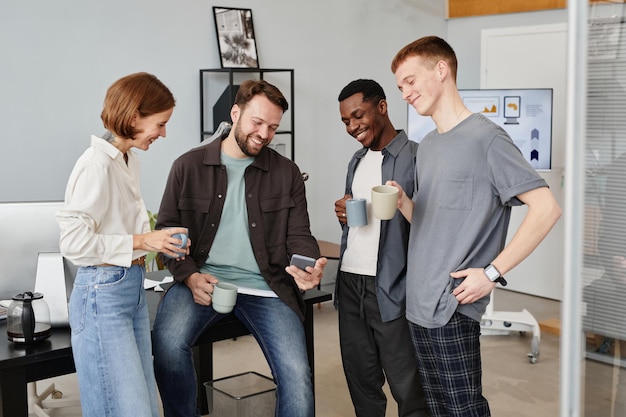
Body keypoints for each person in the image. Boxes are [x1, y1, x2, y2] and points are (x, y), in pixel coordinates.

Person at [389, 36, 562, 416]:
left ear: (441, 70)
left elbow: (546, 208)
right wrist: (403, 202)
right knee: (436, 409)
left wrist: (492, 273)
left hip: (453, 305)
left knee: (464, 409)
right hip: (418, 303)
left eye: (411, 81)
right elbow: (433, 222)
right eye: (400, 86)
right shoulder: (429, 144)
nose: (405, 93)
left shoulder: (487, 140)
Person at [152, 79, 327, 417]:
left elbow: (299, 235)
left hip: (267, 287)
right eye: (257, 123)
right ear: (235, 113)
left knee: (297, 376)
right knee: (168, 346)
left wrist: (308, 266)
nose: (264, 134)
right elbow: (165, 232)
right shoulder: (187, 166)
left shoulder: (286, 173)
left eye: (273, 127)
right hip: (202, 281)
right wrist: (189, 277)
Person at [56, 72, 188, 417]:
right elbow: (73, 242)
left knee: (139, 404)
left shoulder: (128, 161)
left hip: (129, 287)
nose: (163, 133)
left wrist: (156, 244)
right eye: (160, 124)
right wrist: (145, 239)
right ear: (134, 118)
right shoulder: (95, 164)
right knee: (128, 409)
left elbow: (117, 231)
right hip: (102, 292)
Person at [333, 79, 430, 417]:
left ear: (383, 107)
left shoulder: (417, 156)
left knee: (407, 385)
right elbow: (360, 226)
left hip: (391, 284)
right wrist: (343, 213)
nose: (353, 126)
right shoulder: (357, 160)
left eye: (358, 116)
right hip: (350, 282)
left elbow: (431, 225)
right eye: (346, 121)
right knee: (361, 380)